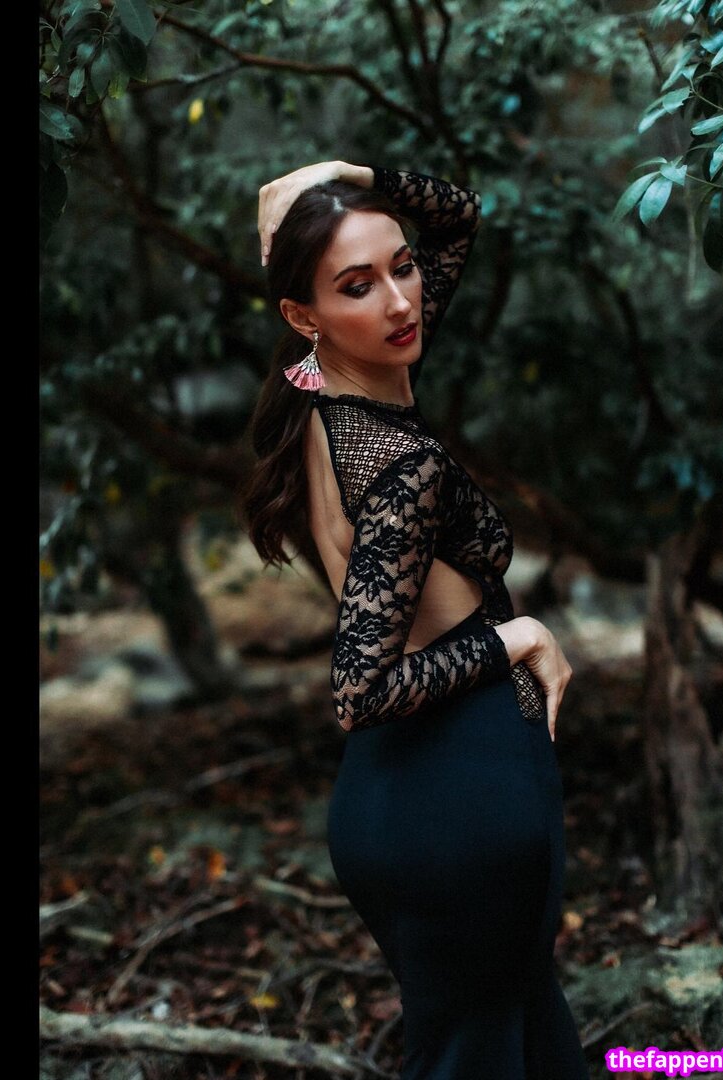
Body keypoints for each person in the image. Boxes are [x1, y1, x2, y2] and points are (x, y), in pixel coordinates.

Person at [242, 160, 589, 1079]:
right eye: (358, 285)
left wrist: (348, 175)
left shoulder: (324, 388)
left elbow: (460, 216)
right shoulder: (400, 465)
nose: (402, 301)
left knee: (527, 1045)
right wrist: (518, 635)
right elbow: (359, 690)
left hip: (413, 801)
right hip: (459, 800)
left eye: (402, 267)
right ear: (304, 315)